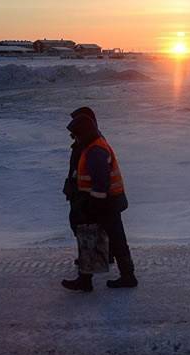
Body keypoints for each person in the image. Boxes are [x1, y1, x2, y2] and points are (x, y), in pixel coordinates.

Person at [61, 108, 138, 292]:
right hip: (108, 203)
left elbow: (100, 183)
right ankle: (120, 276)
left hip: (105, 204)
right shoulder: (93, 145)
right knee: (109, 239)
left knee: (96, 238)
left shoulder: (95, 150)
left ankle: (91, 280)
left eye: (76, 134)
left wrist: (93, 206)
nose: (74, 138)